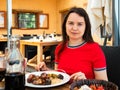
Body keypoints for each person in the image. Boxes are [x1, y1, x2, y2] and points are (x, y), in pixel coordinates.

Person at [36, 7, 108, 81]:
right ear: (65, 25)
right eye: (71, 23)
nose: (74, 28)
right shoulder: (59, 48)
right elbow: (58, 76)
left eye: (80, 24)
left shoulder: (95, 49)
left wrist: (86, 81)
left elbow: (104, 84)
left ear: (86, 27)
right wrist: (46, 70)